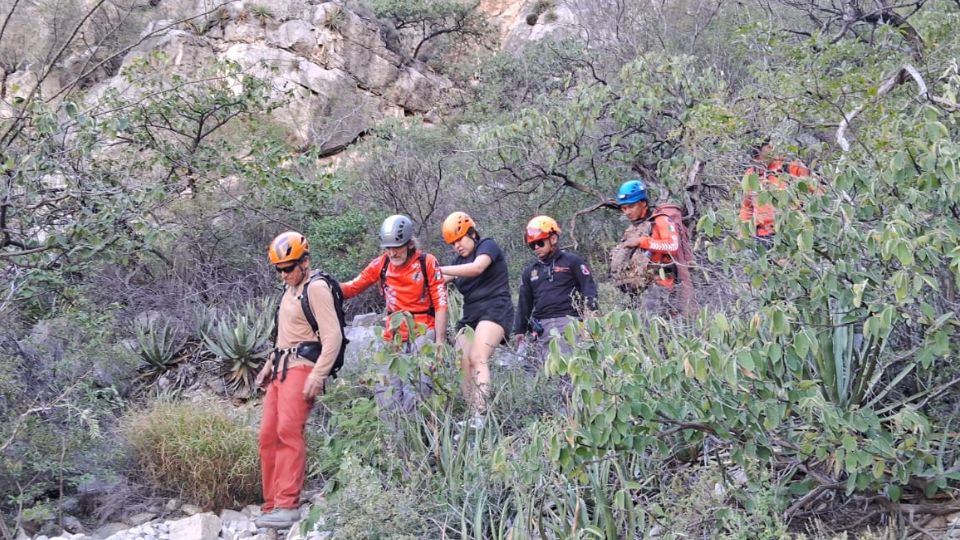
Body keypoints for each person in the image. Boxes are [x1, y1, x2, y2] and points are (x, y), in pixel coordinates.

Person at [255, 231, 342, 529]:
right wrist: (268, 364)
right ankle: (271, 505)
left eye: (288, 268)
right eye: (279, 269)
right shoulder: (289, 289)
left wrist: (319, 375)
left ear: (305, 261)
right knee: (267, 435)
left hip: (303, 367)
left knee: (288, 432)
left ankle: (287, 505)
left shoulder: (316, 288)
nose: (283, 274)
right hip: (280, 368)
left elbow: (333, 336)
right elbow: (284, 336)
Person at [340, 214, 448, 413]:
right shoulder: (381, 265)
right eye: (388, 248)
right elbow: (351, 288)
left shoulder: (427, 263)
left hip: (423, 331)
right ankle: (393, 440)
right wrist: (323, 284)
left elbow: (441, 303)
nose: (392, 253)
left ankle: (417, 439)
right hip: (393, 335)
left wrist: (440, 342)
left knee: (417, 393)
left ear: (409, 244)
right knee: (386, 394)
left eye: (397, 247)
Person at [438, 211, 514, 424]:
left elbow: (477, 268)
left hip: (495, 308)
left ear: (471, 233)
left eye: (459, 239)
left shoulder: (487, 246)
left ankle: (481, 414)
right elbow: (439, 279)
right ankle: (472, 413)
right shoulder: (457, 261)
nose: (457, 246)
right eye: (452, 243)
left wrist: (437, 268)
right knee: (461, 359)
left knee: (477, 357)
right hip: (471, 314)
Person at [513, 215, 598, 368]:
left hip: (569, 323)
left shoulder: (572, 261)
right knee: (546, 373)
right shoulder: (530, 271)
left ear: (553, 239)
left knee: (571, 369)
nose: (536, 248)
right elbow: (524, 302)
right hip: (541, 328)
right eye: (532, 245)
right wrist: (519, 330)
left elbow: (588, 288)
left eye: (539, 242)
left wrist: (591, 317)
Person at [613, 179, 696, 316]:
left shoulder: (661, 220)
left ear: (643, 203)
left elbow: (672, 245)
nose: (627, 212)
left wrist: (641, 241)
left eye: (631, 206)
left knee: (649, 327)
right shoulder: (635, 228)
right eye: (624, 208)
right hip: (643, 288)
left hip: (664, 285)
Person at [739, 139, 811, 245]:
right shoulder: (750, 175)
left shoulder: (789, 166)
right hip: (762, 236)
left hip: (790, 233)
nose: (759, 161)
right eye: (755, 157)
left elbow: (814, 192)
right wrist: (742, 234)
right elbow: (746, 207)